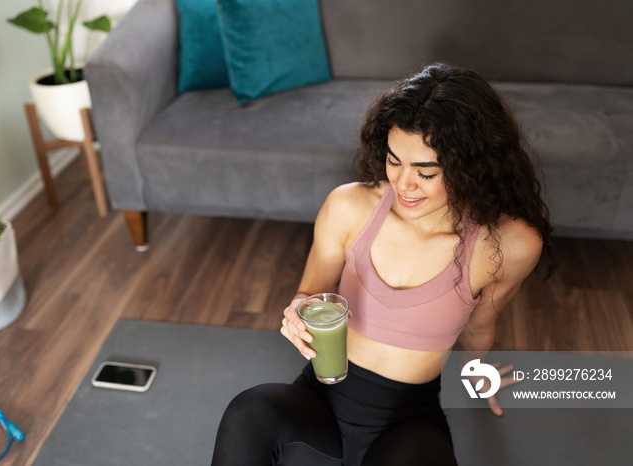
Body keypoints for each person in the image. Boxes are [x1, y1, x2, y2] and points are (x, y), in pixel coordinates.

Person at [210, 62, 557, 466]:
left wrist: (479, 374)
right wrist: (296, 310)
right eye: (395, 161)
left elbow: (480, 322)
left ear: (471, 168)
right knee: (248, 412)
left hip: (406, 422)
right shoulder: (348, 206)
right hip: (319, 395)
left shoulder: (506, 245)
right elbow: (311, 293)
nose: (404, 184)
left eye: (426, 171)